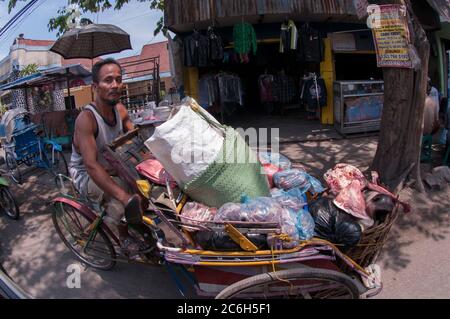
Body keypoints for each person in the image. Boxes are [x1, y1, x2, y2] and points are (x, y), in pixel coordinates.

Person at [69, 58, 144, 254]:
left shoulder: (120, 110)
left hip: (112, 164)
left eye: (118, 79)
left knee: (144, 183)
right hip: (86, 173)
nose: (115, 85)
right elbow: (92, 165)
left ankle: (139, 224)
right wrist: (125, 198)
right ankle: (124, 236)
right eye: (108, 80)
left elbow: (136, 141)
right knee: (121, 194)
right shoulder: (86, 120)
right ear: (95, 86)